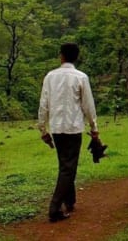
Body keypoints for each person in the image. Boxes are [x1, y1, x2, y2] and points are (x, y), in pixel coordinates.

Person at [38, 42, 99, 222]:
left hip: (57, 128)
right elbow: (88, 105)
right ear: (76, 57)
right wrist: (94, 128)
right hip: (73, 128)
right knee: (68, 168)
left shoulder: (50, 76)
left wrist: (43, 129)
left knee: (65, 165)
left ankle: (70, 200)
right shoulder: (81, 77)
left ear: (61, 56)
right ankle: (54, 208)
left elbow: (44, 104)